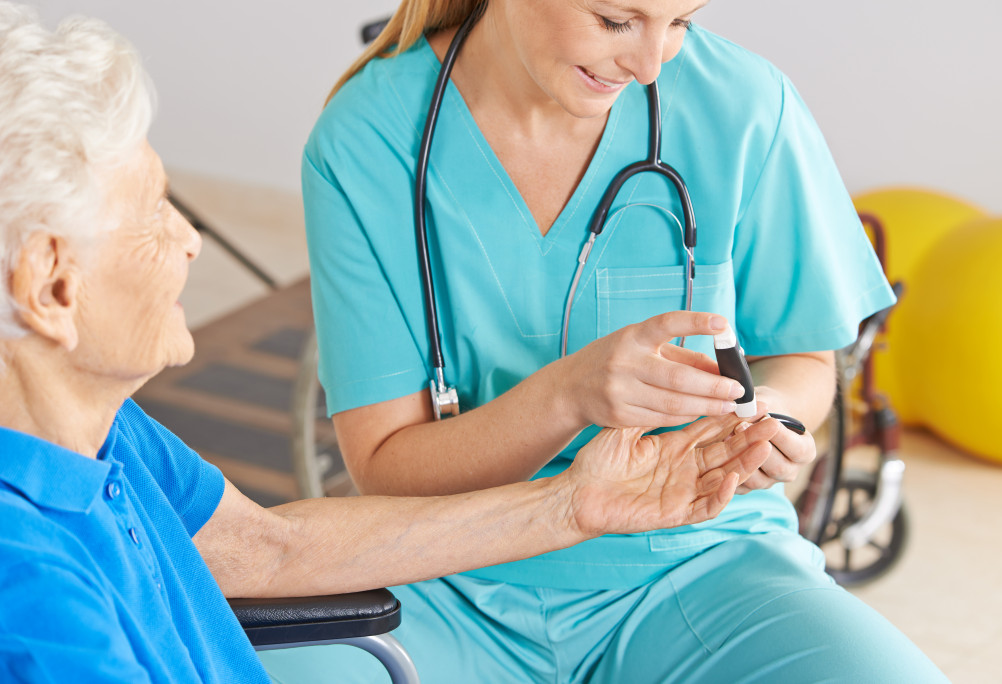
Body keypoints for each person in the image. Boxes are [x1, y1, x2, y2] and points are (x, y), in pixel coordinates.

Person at [0, 4, 790, 681]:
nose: (189, 241)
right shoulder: (35, 598)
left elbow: (268, 550)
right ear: (51, 289)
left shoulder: (102, 433)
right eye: (150, 212)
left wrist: (575, 505)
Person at [266, 0, 950, 682]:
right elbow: (385, 464)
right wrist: (567, 396)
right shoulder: (369, 138)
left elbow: (803, 354)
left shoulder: (743, 105)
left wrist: (772, 417)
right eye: (616, 21)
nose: (651, 63)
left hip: (701, 563)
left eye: (680, 21)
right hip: (448, 571)